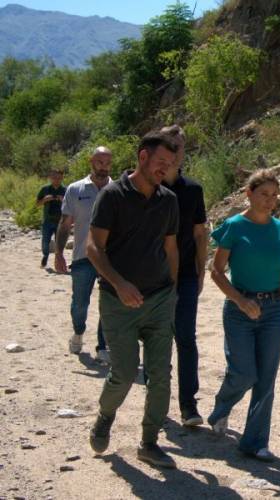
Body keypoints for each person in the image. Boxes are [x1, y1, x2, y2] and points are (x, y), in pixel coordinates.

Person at [86, 131, 180, 468]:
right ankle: (105, 414)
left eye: (169, 165)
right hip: (117, 301)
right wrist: (119, 283)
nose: (164, 170)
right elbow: (93, 247)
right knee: (123, 374)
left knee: (160, 374)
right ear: (142, 157)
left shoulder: (168, 200)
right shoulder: (112, 196)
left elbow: (171, 247)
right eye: (159, 163)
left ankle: (149, 442)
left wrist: (172, 288)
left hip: (159, 299)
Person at [208, 169, 280, 462]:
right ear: (249, 194)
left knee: (266, 377)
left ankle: (254, 442)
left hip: (273, 310)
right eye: (264, 194)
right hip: (240, 309)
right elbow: (216, 272)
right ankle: (222, 406)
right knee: (244, 373)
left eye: (274, 196)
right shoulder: (233, 226)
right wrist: (240, 301)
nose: (270, 201)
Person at [160, 125, 208, 427]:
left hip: (187, 275)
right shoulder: (147, 188)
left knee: (186, 339)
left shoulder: (193, 190)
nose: (177, 152)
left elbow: (200, 233)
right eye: (171, 146)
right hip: (152, 276)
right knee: (157, 341)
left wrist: (201, 271)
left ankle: (188, 406)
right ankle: (158, 404)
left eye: (180, 146)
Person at [55, 147, 112, 363]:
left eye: (107, 163)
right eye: (99, 162)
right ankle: (78, 332)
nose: (103, 167)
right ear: (91, 162)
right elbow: (65, 223)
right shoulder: (75, 189)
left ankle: (103, 345)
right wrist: (59, 253)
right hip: (82, 256)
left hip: (110, 258)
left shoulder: (118, 190)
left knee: (108, 303)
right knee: (80, 303)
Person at [36, 169, 66, 268]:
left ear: (62, 178)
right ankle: (45, 256)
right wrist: (45, 199)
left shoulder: (66, 190)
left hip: (61, 221)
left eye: (58, 178)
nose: (56, 180)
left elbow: (71, 206)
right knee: (45, 241)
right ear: (50, 177)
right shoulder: (45, 189)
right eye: (54, 177)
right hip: (47, 220)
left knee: (60, 242)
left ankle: (58, 259)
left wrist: (63, 201)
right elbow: (37, 204)